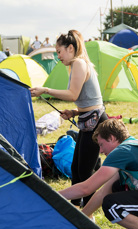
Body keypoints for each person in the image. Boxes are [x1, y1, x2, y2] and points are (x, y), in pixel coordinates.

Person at [30, 29, 108, 207]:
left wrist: (46, 89)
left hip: (95, 122)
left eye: (59, 52)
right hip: (88, 120)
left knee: (85, 171)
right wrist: (74, 112)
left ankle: (88, 213)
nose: (58, 56)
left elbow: (73, 94)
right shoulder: (77, 65)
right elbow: (88, 99)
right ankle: (74, 208)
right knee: (76, 168)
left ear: (70, 48)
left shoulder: (79, 63)